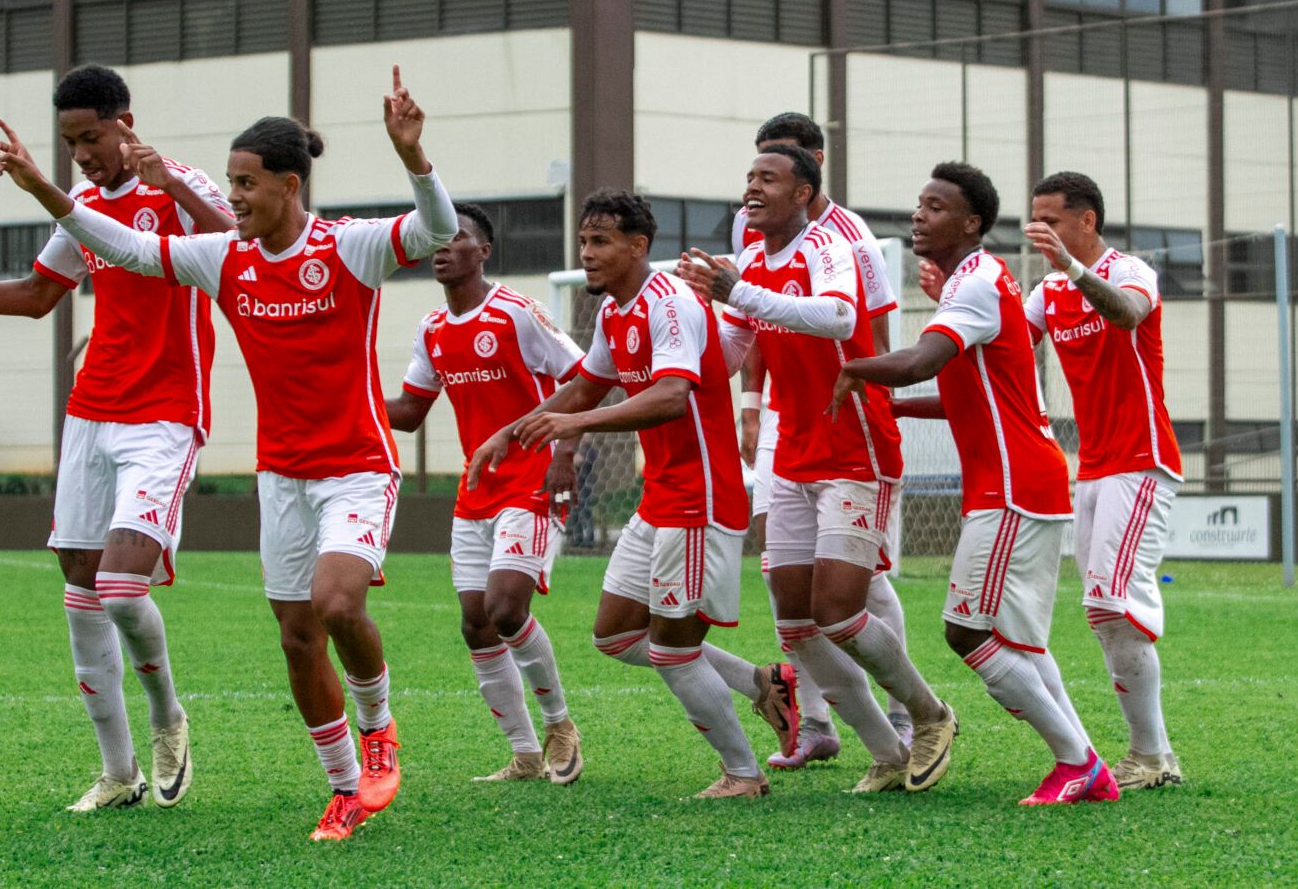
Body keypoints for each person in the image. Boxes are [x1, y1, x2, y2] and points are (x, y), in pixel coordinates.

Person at [0, 66, 456, 841]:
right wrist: (46, 189)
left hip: (357, 467)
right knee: (297, 636)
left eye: (244, 184)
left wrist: (414, 155)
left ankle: (378, 726)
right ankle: (343, 787)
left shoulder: (350, 248)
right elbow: (126, 247)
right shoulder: (225, 259)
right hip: (280, 478)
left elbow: (437, 230)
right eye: (230, 184)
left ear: (289, 186)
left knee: (339, 604)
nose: (230, 197)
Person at [0, 64, 229, 812]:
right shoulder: (82, 206)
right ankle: (118, 771)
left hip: (166, 412)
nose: (83, 154)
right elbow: (42, 294)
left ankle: (169, 715)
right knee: (80, 587)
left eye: (91, 138)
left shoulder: (175, 185)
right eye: (71, 143)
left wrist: (168, 181)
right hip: (93, 408)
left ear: (124, 122)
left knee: (120, 585)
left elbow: (236, 244)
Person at [467, 190, 798, 799]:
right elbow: (584, 388)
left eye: (600, 242)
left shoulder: (667, 302)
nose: (587, 255)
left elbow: (672, 395)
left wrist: (576, 427)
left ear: (638, 247)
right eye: (585, 242)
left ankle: (744, 775)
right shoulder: (615, 315)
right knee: (617, 635)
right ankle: (760, 683)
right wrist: (508, 434)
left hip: (700, 499)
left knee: (674, 650)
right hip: (662, 499)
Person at [833, 161, 1118, 806]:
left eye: (934, 207)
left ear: (971, 223)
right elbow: (980, 392)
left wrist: (854, 366)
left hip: (1015, 487)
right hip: (1020, 480)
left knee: (969, 633)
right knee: (1021, 642)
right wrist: (903, 404)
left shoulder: (980, 282)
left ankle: (1077, 762)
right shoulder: (976, 282)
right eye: (918, 204)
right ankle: (1084, 762)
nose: (918, 216)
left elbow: (919, 361)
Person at [679, 145, 956, 794]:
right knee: (795, 619)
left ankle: (929, 714)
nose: (752, 187)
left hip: (855, 445)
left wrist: (735, 290)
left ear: (803, 194)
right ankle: (887, 749)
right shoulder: (748, 259)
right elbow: (729, 355)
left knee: (838, 607)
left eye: (767, 178)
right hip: (795, 448)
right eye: (748, 176)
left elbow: (838, 316)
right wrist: (684, 329)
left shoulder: (829, 246)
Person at [728, 112, 911, 769]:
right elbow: (747, 318)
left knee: (857, 584)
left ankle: (903, 712)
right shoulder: (751, 235)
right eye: (754, 167)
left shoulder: (847, 237)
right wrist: (751, 404)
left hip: (848, 418)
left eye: (775, 167)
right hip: (785, 417)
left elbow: (871, 328)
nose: (756, 182)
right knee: (786, 580)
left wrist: (874, 395)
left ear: (811, 171)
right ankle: (818, 722)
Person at [385, 202, 586, 784]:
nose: (441, 249)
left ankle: (560, 725)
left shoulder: (518, 314)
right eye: (436, 242)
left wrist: (565, 454)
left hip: (532, 480)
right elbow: (411, 411)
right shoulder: (432, 329)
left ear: (484, 252)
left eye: (457, 239)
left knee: (505, 609)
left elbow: (584, 380)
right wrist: (346, 398)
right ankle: (524, 752)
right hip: (477, 490)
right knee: (475, 622)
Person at [1022, 171, 1184, 790]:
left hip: (1142, 458)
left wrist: (1073, 267)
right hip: (1091, 466)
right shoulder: (1049, 288)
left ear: (1086, 221)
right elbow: (1012, 339)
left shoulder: (1128, 271)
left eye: (1052, 219)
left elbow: (1127, 315)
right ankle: (1154, 756)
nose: (1041, 230)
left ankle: (1150, 757)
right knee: (1103, 613)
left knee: (1111, 601)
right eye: (1035, 219)